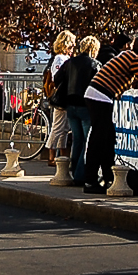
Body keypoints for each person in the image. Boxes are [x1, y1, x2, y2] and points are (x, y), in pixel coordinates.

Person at [82, 34, 138, 194]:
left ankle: (108, 177)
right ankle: (90, 180)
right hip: (101, 96)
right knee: (99, 140)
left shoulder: (125, 55)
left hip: (96, 94)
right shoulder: (134, 58)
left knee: (108, 139)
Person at [54, 35, 99, 184]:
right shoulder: (94, 64)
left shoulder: (70, 62)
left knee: (77, 140)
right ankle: (80, 175)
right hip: (86, 105)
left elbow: (57, 79)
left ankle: (75, 171)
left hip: (70, 105)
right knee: (87, 140)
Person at [43, 31, 76, 166]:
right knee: (58, 127)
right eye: (72, 45)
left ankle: (62, 155)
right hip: (61, 96)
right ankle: (51, 156)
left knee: (64, 128)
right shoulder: (60, 59)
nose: (73, 48)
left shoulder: (64, 58)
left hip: (65, 96)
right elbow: (57, 77)